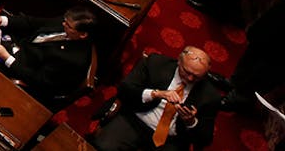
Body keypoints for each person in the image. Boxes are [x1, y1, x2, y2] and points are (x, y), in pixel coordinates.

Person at [0, 7, 96, 106]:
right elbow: (32, 22)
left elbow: (38, 80)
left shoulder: (73, 60)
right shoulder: (67, 22)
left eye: (68, 26)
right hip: (16, 45)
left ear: (82, 34)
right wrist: (3, 20)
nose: (63, 24)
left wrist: (7, 58)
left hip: (19, 70)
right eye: (64, 20)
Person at [90, 47, 219, 151]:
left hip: (170, 139)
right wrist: (155, 94)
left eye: (196, 77)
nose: (190, 79)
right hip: (135, 120)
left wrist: (191, 122)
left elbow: (205, 139)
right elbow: (124, 89)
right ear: (179, 61)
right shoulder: (155, 63)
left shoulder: (210, 95)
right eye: (187, 72)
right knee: (103, 146)